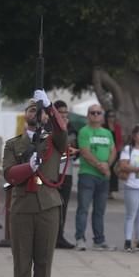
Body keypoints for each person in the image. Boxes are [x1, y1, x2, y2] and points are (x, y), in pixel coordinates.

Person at [3, 90, 67, 277]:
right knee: (22, 262)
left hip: (48, 206)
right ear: (25, 115)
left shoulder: (54, 141)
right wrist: (28, 167)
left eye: (39, 111)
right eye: (32, 109)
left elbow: (63, 132)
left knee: (43, 261)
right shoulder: (13, 145)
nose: (35, 113)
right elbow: (9, 173)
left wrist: (50, 106)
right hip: (22, 207)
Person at [75, 103, 116, 251]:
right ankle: (80, 238)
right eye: (92, 113)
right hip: (88, 175)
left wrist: (107, 165)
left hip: (103, 177)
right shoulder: (84, 132)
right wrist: (101, 165)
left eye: (99, 113)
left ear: (102, 116)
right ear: (88, 115)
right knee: (83, 208)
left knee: (99, 210)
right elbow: (85, 152)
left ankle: (99, 240)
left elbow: (113, 151)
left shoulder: (107, 133)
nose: (96, 115)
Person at [54, 100, 78, 249]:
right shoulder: (50, 128)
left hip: (66, 171)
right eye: (60, 112)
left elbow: (73, 147)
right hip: (52, 172)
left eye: (65, 113)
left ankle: (59, 236)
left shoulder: (72, 129)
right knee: (50, 206)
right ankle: (49, 236)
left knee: (63, 205)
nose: (63, 115)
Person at [103, 110, 124, 198]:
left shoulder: (117, 127)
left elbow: (119, 139)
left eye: (113, 116)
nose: (111, 118)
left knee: (114, 172)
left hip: (115, 151)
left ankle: (111, 191)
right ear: (106, 117)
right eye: (110, 116)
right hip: (106, 151)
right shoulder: (103, 127)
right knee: (106, 170)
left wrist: (119, 150)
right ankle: (104, 190)